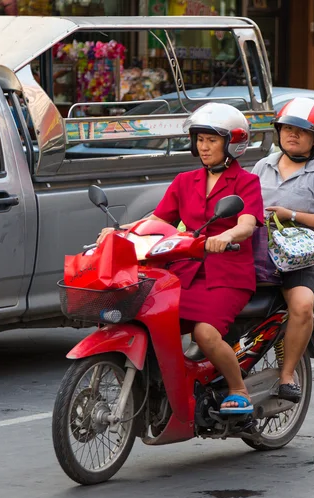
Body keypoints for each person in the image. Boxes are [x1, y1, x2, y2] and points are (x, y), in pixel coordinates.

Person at [98, 102, 264, 414]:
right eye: (200, 140)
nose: (204, 147)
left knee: (204, 332)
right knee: (147, 316)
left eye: (212, 140)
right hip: (186, 270)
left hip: (227, 276)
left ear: (232, 143)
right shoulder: (185, 181)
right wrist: (118, 232)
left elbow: (247, 223)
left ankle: (238, 388)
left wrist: (226, 237)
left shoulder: (247, 182)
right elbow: (158, 222)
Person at [251, 97, 314, 403]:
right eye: (288, 128)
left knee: (302, 306)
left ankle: (287, 375)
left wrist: (291, 214)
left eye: (301, 131)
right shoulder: (262, 166)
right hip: (255, 253)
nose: (292, 134)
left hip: (298, 259)